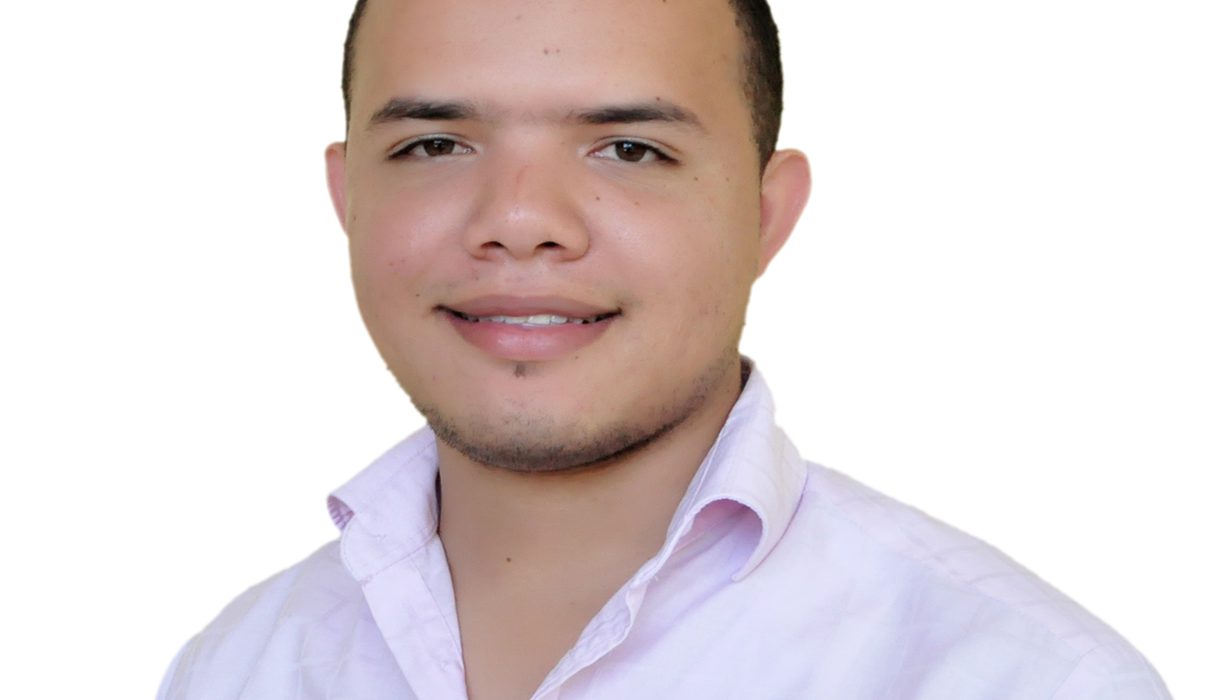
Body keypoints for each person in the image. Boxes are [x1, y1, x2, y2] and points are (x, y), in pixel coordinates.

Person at [158, 0, 1170, 698]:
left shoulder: (1030, 679)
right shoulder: (236, 669)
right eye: (434, 145)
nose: (519, 221)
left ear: (766, 216)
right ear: (349, 200)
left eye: (630, 148)